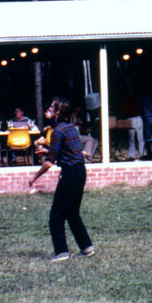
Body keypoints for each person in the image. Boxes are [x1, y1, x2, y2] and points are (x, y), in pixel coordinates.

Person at [44, 97, 95, 262]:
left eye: (52, 107)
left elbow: (50, 161)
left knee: (56, 215)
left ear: (58, 112)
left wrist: (33, 178)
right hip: (80, 171)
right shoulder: (72, 128)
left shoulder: (57, 132)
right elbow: (72, 151)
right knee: (72, 212)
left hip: (70, 174)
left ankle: (61, 252)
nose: (49, 109)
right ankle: (87, 247)